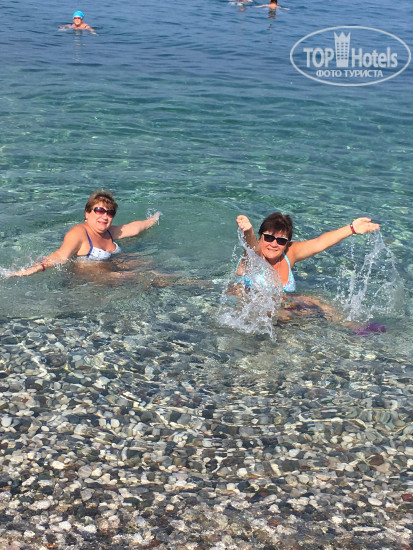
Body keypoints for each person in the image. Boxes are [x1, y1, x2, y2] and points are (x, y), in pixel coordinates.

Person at [235, 212, 380, 317]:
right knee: (285, 314)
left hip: (283, 306)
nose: (274, 244)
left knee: (322, 304)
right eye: (268, 237)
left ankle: (353, 329)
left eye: (281, 240)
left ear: (287, 243)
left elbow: (319, 243)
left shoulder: (289, 253)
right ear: (260, 237)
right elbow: (251, 247)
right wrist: (248, 231)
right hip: (250, 310)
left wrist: (352, 228)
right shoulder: (253, 257)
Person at [9, 190, 160, 277]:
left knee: (151, 266)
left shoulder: (109, 232)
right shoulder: (78, 233)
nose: (105, 216)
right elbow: (61, 256)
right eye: (99, 210)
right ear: (87, 213)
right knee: (144, 277)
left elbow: (133, 228)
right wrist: (33, 269)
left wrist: (153, 219)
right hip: (90, 279)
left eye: (110, 213)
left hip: (113, 268)